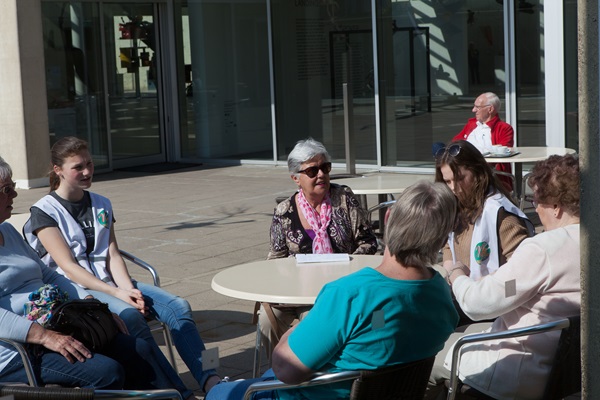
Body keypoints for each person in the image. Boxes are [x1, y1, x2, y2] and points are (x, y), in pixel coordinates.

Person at [206, 181, 460, 400]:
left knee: (219, 392)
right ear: (440, 239)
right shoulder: (440, 292)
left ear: (388, 217)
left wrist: (292, 332)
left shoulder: (351, 294)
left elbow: (287, 370)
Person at [23, 137, 222, 394]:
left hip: (114, 284)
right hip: (81, 293)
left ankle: (211, 378)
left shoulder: (101, 203)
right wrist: (119, 294)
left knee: (179, 307)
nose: (87, 172)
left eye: (90, 164)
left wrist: (129, 290)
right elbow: (69, 268)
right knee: (132, 318)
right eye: (78, 167)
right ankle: (176, 392)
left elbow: (113, 254)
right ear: (58, 170)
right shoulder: (44, 211)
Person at [427, 153, 580, 400]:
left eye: (537, 201)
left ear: (556, 207)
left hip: (517, 370)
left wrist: (456, 273)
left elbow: (477, 304)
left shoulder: (544, 248)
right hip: (568, 373)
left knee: (425, 350)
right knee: (468, 332)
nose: (536, 209)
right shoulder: (586, 242)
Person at [262, 138, 377, 356]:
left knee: (312, 321)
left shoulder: (344, 198)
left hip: (339, 288)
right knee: (266, 322)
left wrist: (346, 266)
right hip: (297, 290)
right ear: (296, 178)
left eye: (325, 167)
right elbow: (275, 260)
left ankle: (312, 377)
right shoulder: (283, 212)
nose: (321, 174)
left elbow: (369, 242)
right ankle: (275, 376)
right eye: (312, 170)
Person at [435, 140, 534, 282]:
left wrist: (477, 287)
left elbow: (520, 269)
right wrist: (451, 274)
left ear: (478, 171)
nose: (454, 188)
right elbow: (449, 247)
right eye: (448, 181)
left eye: (460, 178)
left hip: (494, 298)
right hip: (462, 295)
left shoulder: (501, 214)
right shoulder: (456, 205)